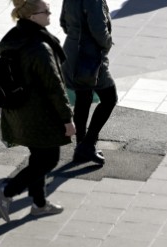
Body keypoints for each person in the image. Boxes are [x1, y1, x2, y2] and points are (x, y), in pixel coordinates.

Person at [0, 0, 75, 222]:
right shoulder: (40, 47)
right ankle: (7, 193)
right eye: (44, 11)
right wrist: (67, 119)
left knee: (38, 159)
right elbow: (54, 87)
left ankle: (39, 204)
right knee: (48, 160)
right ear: (31, 17)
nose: (50, 14)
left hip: (19, 113)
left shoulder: (15, 37)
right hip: (40, 116)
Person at [60, 0, 117, 165]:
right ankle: (88, 143)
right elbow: (98, 29)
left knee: (83, 100)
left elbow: (64, 22)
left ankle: (81, 147)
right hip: (90, 57)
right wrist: (107, 43)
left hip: (73, 53)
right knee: (109, 99)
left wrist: (76, 35)